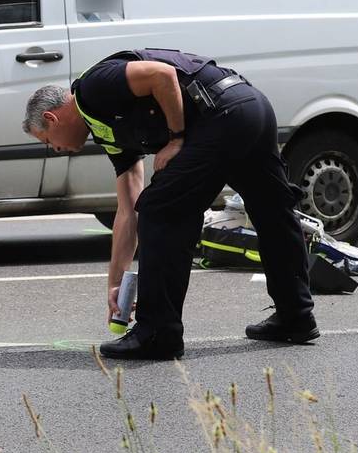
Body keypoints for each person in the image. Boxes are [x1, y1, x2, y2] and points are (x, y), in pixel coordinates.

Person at [23, 49, 317, 360]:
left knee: (161, 211)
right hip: (248, 108)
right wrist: (116, 286)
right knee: (272, 211)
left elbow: (161, 75)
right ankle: (295, 316)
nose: (55, 149)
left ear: (51, 118)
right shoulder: (104, 127)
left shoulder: (94, 86)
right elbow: (127, 210)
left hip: (222, 115)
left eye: (47, 141)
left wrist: (176, 138)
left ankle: (158, 332)